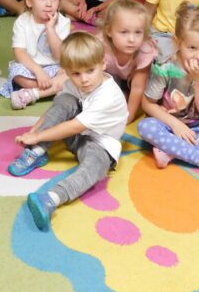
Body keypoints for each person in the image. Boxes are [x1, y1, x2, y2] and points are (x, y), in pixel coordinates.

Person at [9, 32, 127, 231]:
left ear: (103, 63)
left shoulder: (109, 95)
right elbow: (57, 110)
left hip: (100, 143)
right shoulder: (73, 83)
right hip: (75, 135)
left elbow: (75, 126)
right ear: (67, 72)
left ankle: (51, 199)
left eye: (90, 71)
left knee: (94, 168)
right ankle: (37, 152)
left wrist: (38, 135)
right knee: (64, 100)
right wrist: (33, 133)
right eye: (76, 74)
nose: (84, 79)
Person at [138, 1, 199, 169]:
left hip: (196, 127)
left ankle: (170, 151)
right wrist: (175, 124)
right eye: (192, 47)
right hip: (169, 124)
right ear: (177, 42)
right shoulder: (165, 67)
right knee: (146, 127)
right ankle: (194, 155)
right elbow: (147, 104)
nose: (198, 55)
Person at [0, 0, 70, 109]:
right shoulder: (23, 21)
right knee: (16, 73)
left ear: (59, 2)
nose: (48, 4)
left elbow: (60, 56)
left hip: (56, 67)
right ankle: (54, 88)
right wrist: (38, 71)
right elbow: (19, 53)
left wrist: (50, 29)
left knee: (71, 73)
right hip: (30, 67)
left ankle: (34, 94)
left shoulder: (63, 22)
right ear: (29, 1)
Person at [100, 0, 157, 123]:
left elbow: (137, 88)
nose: (132, 39)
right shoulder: (101, 45)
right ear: (109, 31)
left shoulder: (144, 52)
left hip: (135, 83)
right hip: (113, 76)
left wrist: (128, 117)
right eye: (124, 32)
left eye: (138, 32)